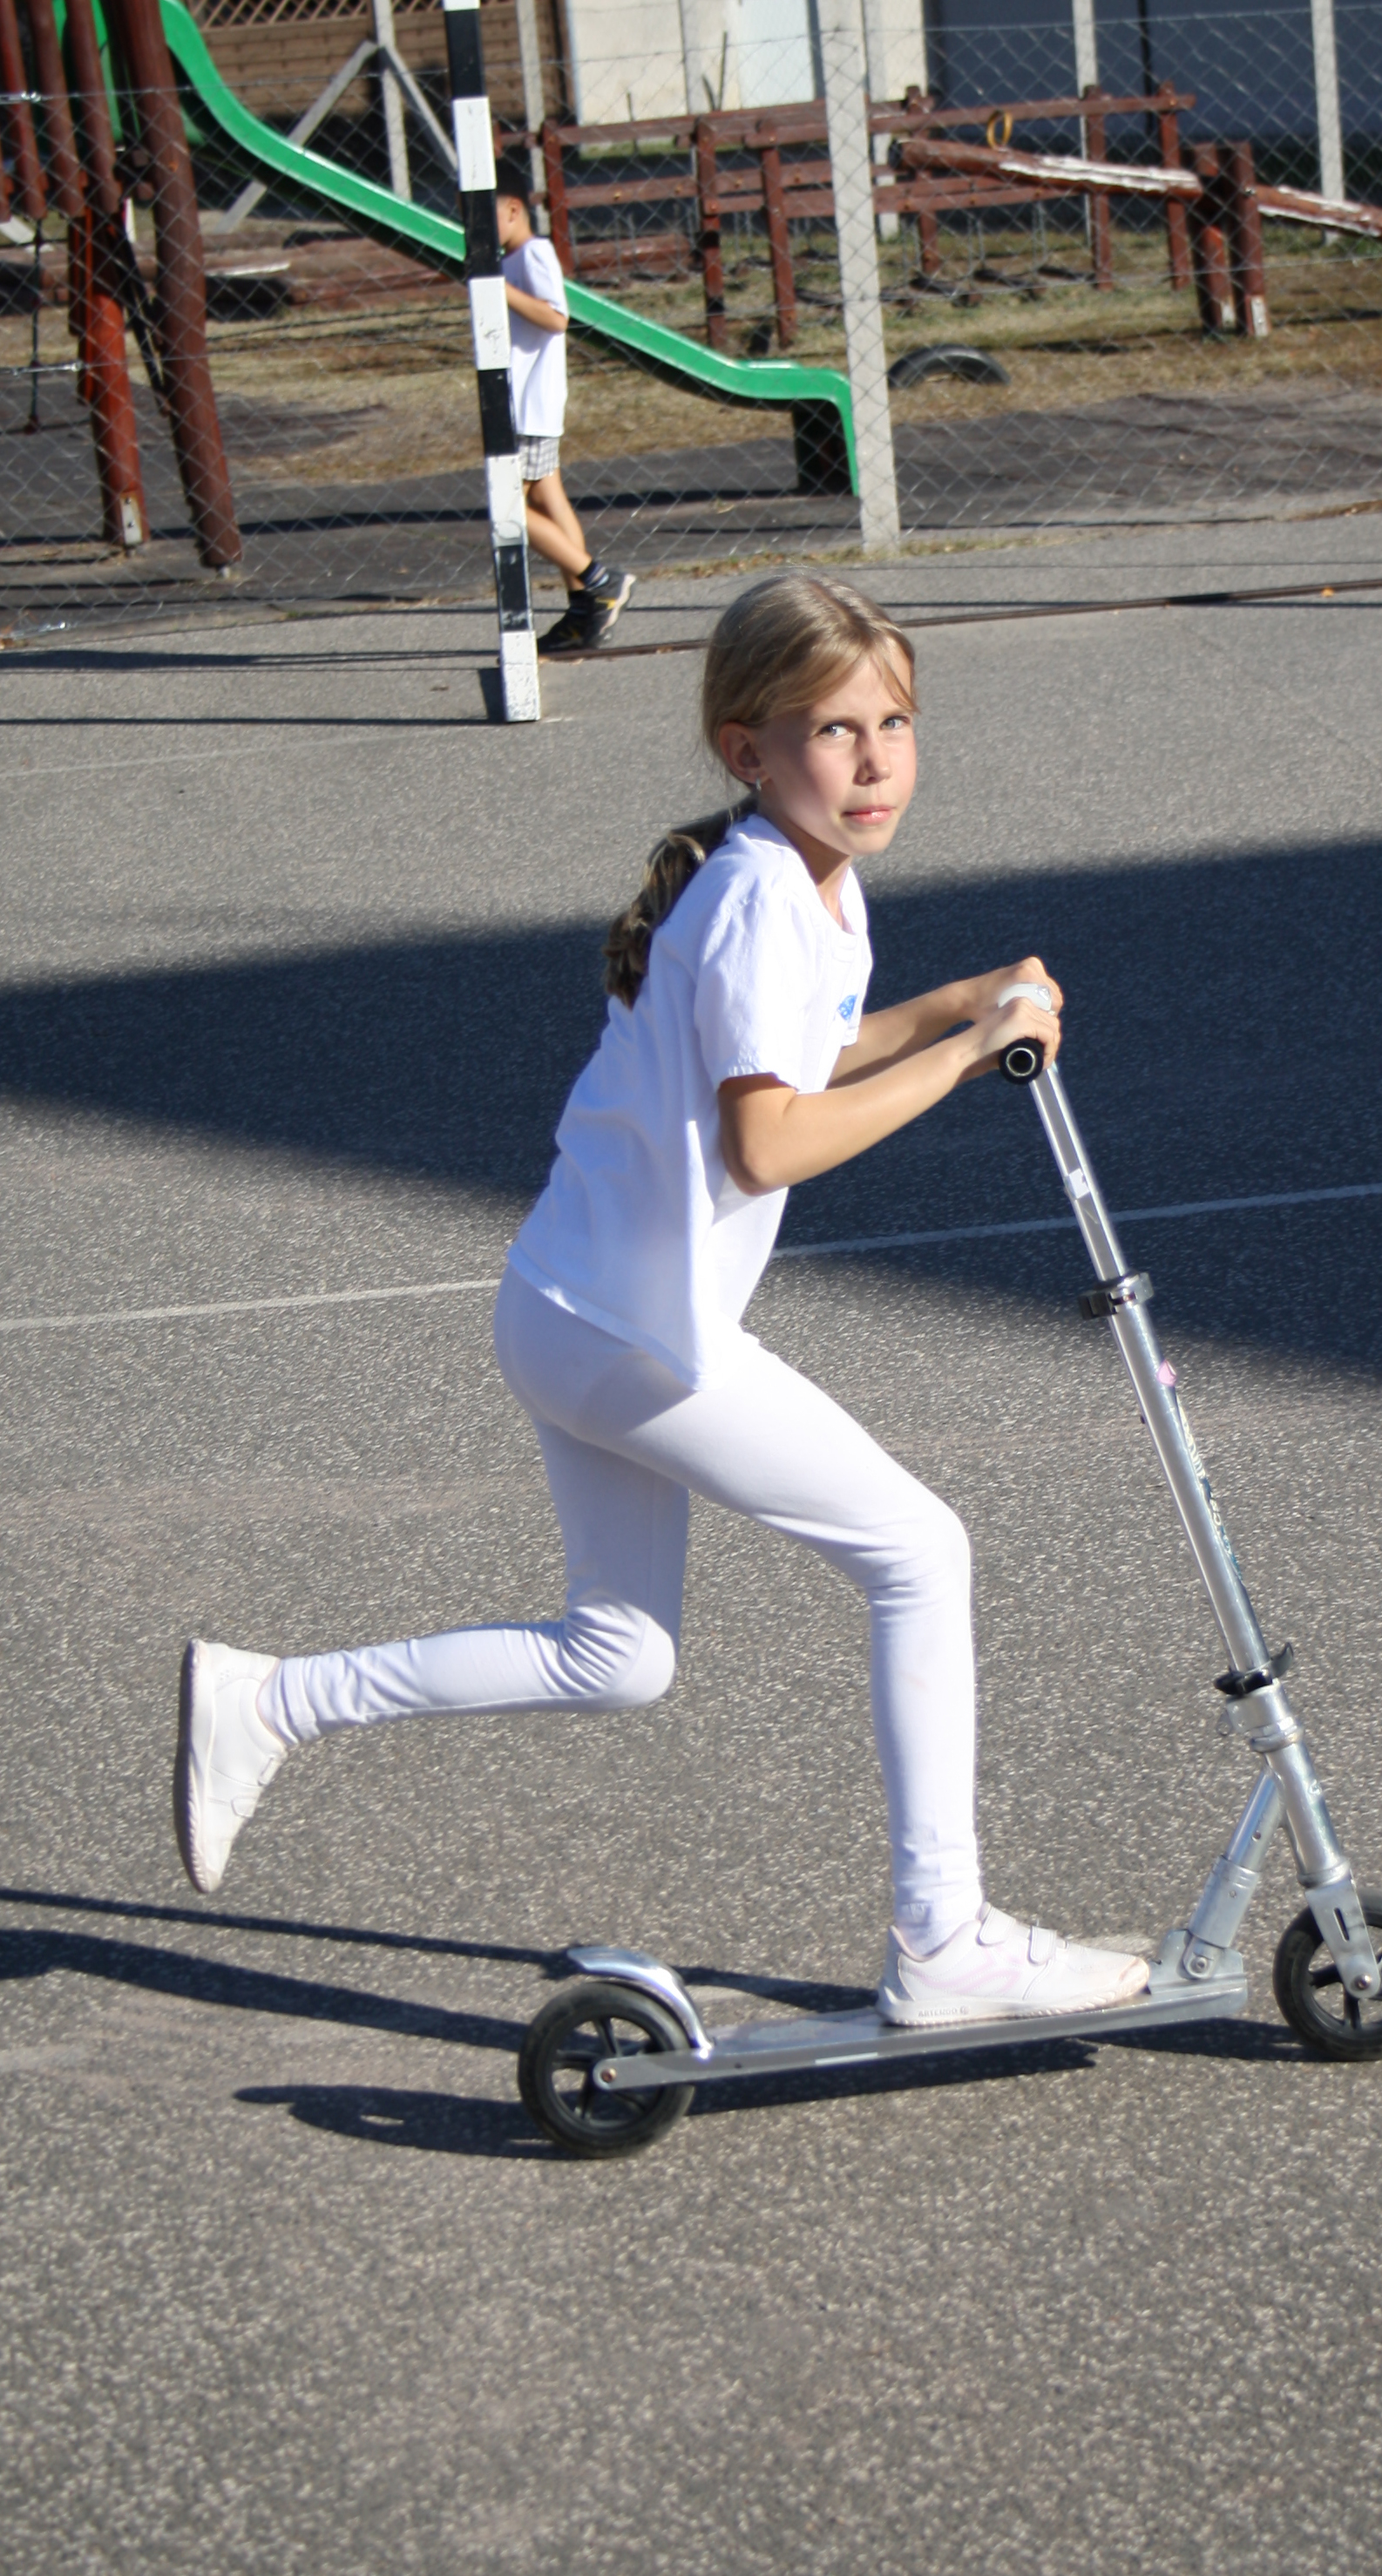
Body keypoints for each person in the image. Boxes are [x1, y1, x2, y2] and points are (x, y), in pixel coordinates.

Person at [174, 572, 1149, 2028]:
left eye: (892, 723)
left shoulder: (804, 879)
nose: (873, 760)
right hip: (632, 1334)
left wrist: (955, 1002)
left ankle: (268, 1702)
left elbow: (802, 1052)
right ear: (747, 748)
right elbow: (769, 1139)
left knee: (616, 1654)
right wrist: (963, 1056)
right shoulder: (757, 899)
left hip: (578, 1309)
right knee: (919, 1553)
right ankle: (943, 1936)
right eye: (833, 730)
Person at [494, 159, 633, 654]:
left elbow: (557, 318)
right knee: (548, 498)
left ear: (514, 210)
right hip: (524, 405)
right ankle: (584, 611)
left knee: (506, 508)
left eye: (482, 218)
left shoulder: (532, 254)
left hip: (528, 408)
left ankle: (601, 580)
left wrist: (498, 291)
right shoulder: (509, 260)